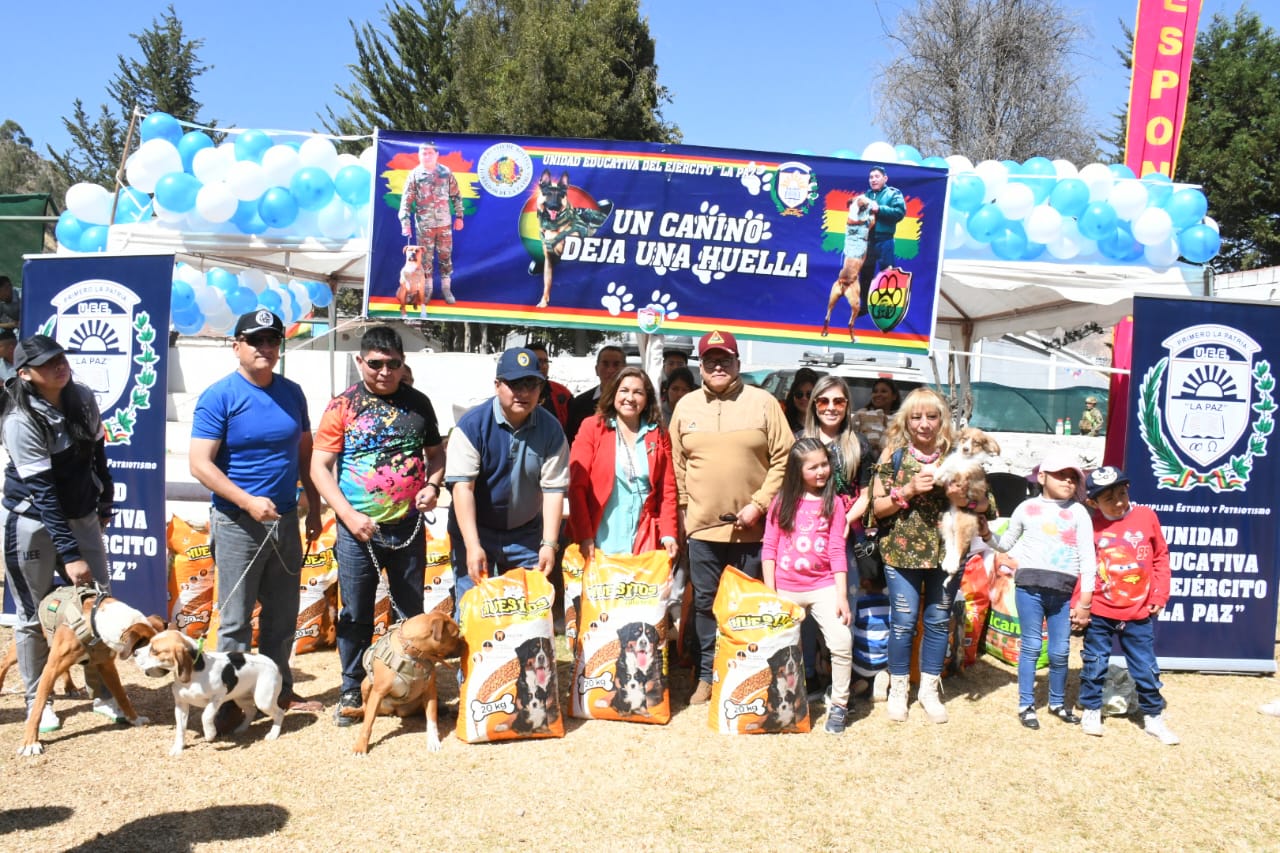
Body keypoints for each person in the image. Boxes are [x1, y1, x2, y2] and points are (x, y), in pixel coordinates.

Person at [189, 310, 323, 714]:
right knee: (235, 620)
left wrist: (313, 508)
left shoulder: (292, 392)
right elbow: (199, 463)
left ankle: (279, 690)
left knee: (283, 617)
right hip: (236, 523)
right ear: (236, 347)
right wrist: (246, 500)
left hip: (284, 521)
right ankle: (226, 701)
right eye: (255, 341)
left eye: (273, 341)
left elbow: (305, 453)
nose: (265, 349)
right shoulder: (219, 396)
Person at [310, 325, 445, 726]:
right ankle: (353, 686)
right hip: (357, 531)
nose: (385, 372)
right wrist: (348, 516)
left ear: (404, 364)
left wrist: (433, 485)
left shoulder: (419, 403)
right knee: (355, 613)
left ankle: (410, 684)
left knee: (410, 612)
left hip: (407, 528)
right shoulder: (343, 406)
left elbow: (436, 455)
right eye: (376, 364)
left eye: (394, 364)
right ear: (360, 361)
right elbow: (319, 467)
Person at [1, 336, 120, 732]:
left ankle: (102, 691)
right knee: (32, 615)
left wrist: (105, 499)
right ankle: (39, 697)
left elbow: (98, 451)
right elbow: (45, 494)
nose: (58, 366)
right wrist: (71, 555)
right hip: (31, 520)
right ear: (25, 374)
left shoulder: (82, 397)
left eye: (60, 358)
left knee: (98, 604)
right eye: (46, 363)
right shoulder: (19, 419)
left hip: (81, 514)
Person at [670, 329, 793, 704]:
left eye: (725, 359)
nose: (718, 365)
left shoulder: (764, 403)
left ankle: (744, 671)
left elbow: (785, 459)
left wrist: (759, 503)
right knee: (705, 603)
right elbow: (677, 467)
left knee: (747, 605)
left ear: (738, 363)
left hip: (754, 530)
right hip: (704, 530)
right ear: (701, 365)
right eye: (710, 359)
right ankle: (708, 674)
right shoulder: (686, 406)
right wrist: (687, 514)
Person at [868, 387, 993, 724]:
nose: (924, 424)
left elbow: (987, 505)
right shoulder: (892, 455)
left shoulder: (960, 453)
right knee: (903, 623)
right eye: (916, 417)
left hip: (946, 553)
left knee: (938, 623)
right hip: (901, 552)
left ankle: (928, 689)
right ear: (906, 421)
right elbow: (874, 510)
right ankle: (898, 689)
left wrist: (962, 497)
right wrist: (907, 491)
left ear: (943, 420)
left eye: (932, 416)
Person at [446, 347, 569, 610]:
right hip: (475, 531)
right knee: (473, 609)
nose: (523, 393)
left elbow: (554, 490)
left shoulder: (552, 430)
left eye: (531, 384)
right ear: (497, 385)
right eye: (514, 384)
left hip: (526, 535)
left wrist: (549, 544)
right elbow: (462, 489)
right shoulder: (470, 426)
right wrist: (472, 545)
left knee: (527, 611)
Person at [984, 450, 1095, 730]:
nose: (1068, 482)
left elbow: (1088, 557)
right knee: (1031, 646)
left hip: (1062, 592)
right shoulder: (1026, 508)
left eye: (1073, 478)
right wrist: (987, 535)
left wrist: (1085, 600)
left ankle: (1057, 702)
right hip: (1029, 589)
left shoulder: (1079, 512)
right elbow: (1006, 543)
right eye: (1061, 475)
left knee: (1059, 651)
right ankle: (1026, 704)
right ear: (1042, 477)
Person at [1077, 466, 1178, 744]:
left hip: (1139, 612)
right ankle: (1091, 709)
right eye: (1110, 499)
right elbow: (1082, 567)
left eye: (1122, 493)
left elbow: (1161, 558)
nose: (1119, 502)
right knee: (1095, 662)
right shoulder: (1090, 526)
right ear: (1093, 502)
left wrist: (1159, 595)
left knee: (1145, 666)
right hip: (1099, 610)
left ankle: (1153, 718)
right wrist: (1080, 604)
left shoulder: (1147, 517)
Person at [762, 438, 855, 734]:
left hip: (824, 585)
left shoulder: (835, 503)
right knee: (784, 650)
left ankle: (839, 704)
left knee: (842, 641)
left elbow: (838, 551)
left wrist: (841, 595)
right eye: (812, 467)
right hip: (786, 589)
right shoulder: (781, 501)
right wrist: (770, 592)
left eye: (824, 464)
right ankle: (787, 702)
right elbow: (769, 549)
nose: (821, 471)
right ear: (796, 470)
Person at [796, 375, 873, 696]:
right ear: (814, 405)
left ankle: (838, 679)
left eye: (838, 401)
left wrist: (843, 524)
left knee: (843, 607)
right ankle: (809, 674)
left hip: (845, 539)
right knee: (806, 610)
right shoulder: (798, 441)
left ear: (847, 405)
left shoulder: (860, 445)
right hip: (804, 539)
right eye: (823, 401)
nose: (830, 408)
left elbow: (868, 494)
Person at [568, 367, 678, 563]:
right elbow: (576, 487)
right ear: (613, 394)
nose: (630, 397)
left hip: (645, 539)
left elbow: (667, 489)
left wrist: (669, 533)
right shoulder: (592, 427)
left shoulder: (659, 434)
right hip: (600, 537)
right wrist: (584, 536)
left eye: (638, 392)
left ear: (647, 399)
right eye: (624, 390)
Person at [398, 142, 464, 304]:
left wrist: (460, 216)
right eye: (423, 153)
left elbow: (456, 195)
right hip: (424, 226)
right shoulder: (415, 175)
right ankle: (427, 291)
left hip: (444, 224)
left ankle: (446, 289)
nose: (426, 156)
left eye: (429, 153)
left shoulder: (446, 173)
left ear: (436, 155)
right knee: (426, 259)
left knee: (445, 256)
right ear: (419, 156)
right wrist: (405, 222)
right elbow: (406, 200)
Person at [856, 166, 907, 312]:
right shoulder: (865, 195)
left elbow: (899, 213)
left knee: (887, 274)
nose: (873, 179)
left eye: (877, 176)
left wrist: (879, 209)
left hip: (885, 240)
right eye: (871, 177)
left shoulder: (893, 194)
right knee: (865, 274)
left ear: (885, 178)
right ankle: (865, 305)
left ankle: (886, 307)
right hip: (867, 241)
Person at [565, 344, 626, 444]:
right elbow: (571, 440)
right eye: (605, 364)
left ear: (624, 369)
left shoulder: (632, 403)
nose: (610, 370)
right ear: (596, 369)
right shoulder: (579, 404)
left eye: (616, 364)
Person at [528, 340, 572, 429]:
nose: (544, 366)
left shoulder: (562, 393)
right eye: (539, 361)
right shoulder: (514, 393)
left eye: (546, 361)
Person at [781, 368, 820, 434]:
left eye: (809, 394)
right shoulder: (783, 424)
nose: (804, 398)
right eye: (799, 394)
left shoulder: (827, 424)